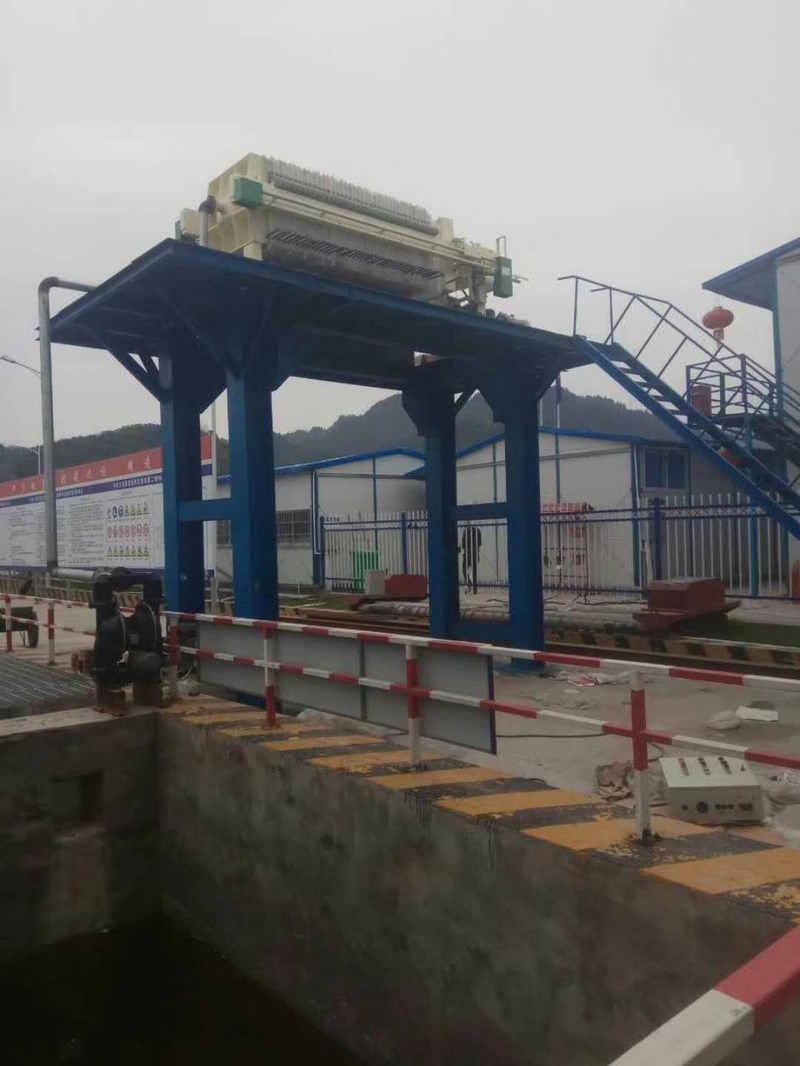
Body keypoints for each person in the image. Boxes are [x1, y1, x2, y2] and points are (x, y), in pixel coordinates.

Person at [459, 523, 482, 595]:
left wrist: (462, 547)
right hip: (475, 553)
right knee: (474, 571)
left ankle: (468, 583)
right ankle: (474, 588)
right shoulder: (477, 530)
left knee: (464, 570)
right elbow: (480, 543)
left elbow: (463, 543)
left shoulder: (465, 531)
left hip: (467, 554)